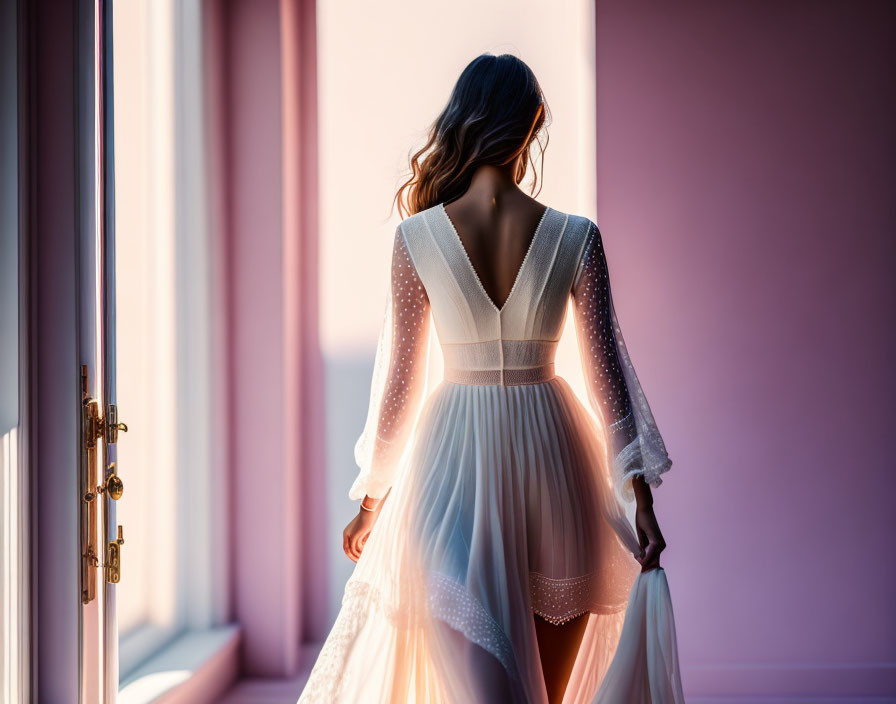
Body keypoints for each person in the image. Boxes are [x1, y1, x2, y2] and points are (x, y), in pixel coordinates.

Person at [299, 53, 684, 704]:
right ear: (532, 126)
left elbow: (398, 391)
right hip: (558, 466)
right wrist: (640, 498)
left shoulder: (416, 238)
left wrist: (372, 500)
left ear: (463, 122)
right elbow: (608, 381)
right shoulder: (576, 237)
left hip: (454, 471)